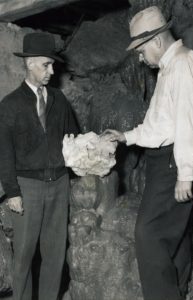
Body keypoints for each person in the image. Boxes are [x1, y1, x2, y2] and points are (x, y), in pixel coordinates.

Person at [104, 6, 193, 300]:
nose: (140, 58)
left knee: (148, 235)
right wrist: (125, 136)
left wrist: (185, 174)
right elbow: (159, 126)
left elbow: (189, 121)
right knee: (176, 233)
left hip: (174, 164)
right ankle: (179, 290)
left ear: (157, 41)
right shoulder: (169, 68)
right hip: (165, 162)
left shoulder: (183, 64)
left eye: (142, 50)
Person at [0, 32, 78, 300]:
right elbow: (4, 153)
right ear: (30, 63)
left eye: (53, 65)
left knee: (55, 255)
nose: (52, 71)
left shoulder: (59, 100)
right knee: (23, 256)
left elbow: (73, 139)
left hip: (59, 183)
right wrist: (12, 192)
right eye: (47, 64)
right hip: (27, 187)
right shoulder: (9, 105)